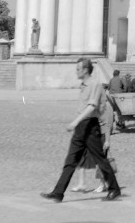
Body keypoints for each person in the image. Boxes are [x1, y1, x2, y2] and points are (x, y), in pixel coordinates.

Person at [40, 58, 121, 203]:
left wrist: (75, 121)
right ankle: (58, 192)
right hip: (81, 127)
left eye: (78, 69)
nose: (76, 71)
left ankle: (114, 189)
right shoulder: (84, 85)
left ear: (85, 70)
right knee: (70, 160)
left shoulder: (95, 84)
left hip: (90, 126)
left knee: (100, 159)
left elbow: (92, 106)